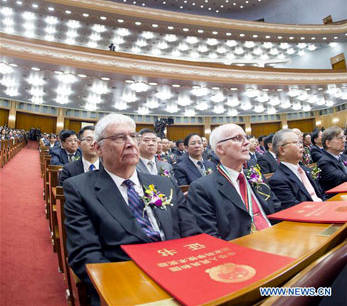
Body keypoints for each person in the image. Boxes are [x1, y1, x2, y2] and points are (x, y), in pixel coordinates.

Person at [64, 113, 198, 305]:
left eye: (133, 137)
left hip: (179, 274)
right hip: (128, 286)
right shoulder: (79, 189)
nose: (130, 143)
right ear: (98, 148)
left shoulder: (164, 183)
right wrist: (135, 288)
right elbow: (85, 255)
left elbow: (191, 233)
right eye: (119, 138)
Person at [187, 124, 280, 240]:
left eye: (245, 138)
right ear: (220, 148)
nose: (247, 143)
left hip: (277, 238)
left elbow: (277, 209)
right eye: (238, 138)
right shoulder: (202, 188)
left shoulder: (254, 175)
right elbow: (210, 237)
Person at [269, 129, 325, 209]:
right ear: (282, 150)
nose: (301, 146)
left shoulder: (307, 170)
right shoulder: (278, 180)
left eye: (300, 142)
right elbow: (295, 208)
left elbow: (321, 194)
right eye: (296, 143)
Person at [317, 127, 347, 191]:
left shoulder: (344, 157)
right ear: (328, 143)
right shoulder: (323, 163)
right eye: (340, 138)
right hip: (335, 197)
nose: (344, 140)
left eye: (344, 137)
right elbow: (342, 178)